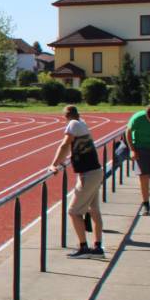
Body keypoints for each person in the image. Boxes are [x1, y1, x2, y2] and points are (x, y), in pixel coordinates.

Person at [48, 105, 104, 257]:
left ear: (66, 116)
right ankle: (98, 247)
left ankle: (84, 248)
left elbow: (65, 144)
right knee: (94, 209)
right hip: (95, 171)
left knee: (73, 211)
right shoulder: (81, 123)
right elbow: (71, 147)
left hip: (88, 174)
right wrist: (63, 160)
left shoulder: (73, 124)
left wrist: (54, 164)